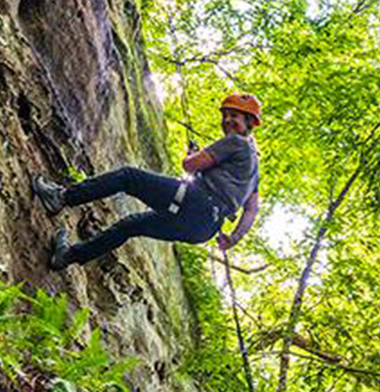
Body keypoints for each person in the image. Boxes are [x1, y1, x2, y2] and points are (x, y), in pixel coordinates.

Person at [33, 93, 262, 269]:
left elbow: (190, 166)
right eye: (225, 115)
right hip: (204, 229)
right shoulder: (254, 168)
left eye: (234, 116)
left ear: (250, 122)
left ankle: (61, 197)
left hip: (196, 202)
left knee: (128, 177)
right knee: (131, 226)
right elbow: (251, 210)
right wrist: (233, 238)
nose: (227, 121)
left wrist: (191, 156)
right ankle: (67, 256)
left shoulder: (237, 142)